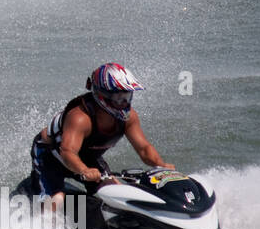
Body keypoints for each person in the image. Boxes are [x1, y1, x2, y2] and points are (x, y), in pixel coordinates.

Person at [30, 63, 172, 212]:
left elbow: (144, 149)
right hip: (49, 155)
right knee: (56, 200)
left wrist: (161, 165)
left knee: (117, 193)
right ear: (102, 95)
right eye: (118, 97)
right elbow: (67, 152)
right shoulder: (80, 118)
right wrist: (84, 170)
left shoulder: (129, 118)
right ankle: (42, 228)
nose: (124, 102)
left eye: (127, 96)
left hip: (86, 157)